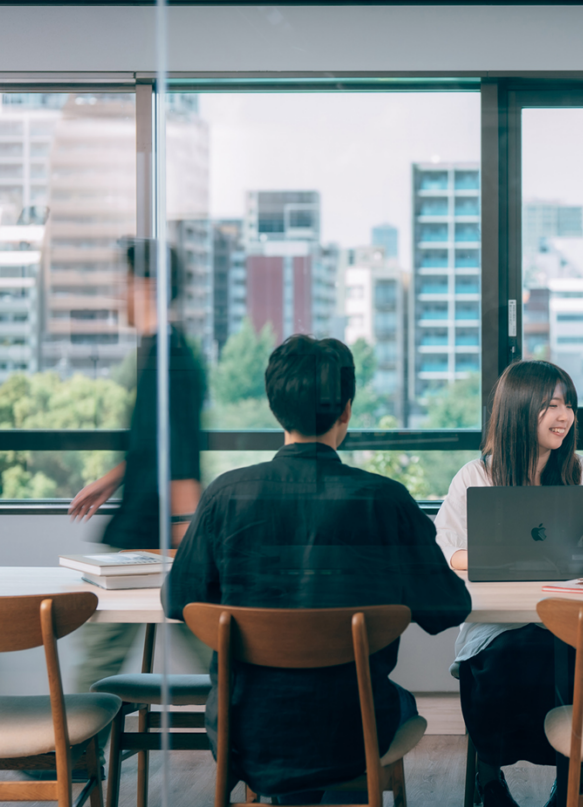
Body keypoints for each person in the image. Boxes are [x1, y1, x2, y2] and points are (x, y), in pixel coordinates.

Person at [165, 335, 472, 802]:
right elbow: (449, 607)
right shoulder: (384, 501)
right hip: (354, 731)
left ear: (275, 407)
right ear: (345, 409)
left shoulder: (225, 496)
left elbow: (177, 600)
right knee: (390, 702)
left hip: (245, 730)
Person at [435, 360, 583, 807]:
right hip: (498, 629)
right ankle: (490, 777)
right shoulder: (476, 476)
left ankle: (568, 780)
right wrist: (503, 557)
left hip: (574, 623)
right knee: (510, 655)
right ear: (519, 410)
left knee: (565, 656)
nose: (565, 416)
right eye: (551, 405)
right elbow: (442, 549)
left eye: (568, 405)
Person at [68, 239, 211, 697]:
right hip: (149, 533)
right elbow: (156, 439)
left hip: (153, 539)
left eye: (125, 283)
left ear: (146, 285)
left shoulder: (171, 360)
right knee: (212, 649)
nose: (119, 295)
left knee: (102, 654)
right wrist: (112, 479)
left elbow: (182, 461)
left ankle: (64, 752)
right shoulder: (157, 353)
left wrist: (191, 550)